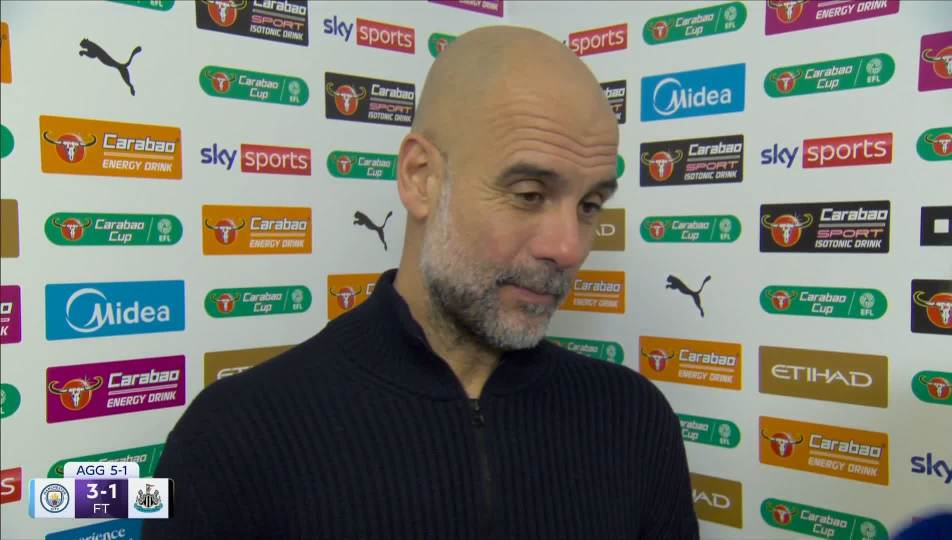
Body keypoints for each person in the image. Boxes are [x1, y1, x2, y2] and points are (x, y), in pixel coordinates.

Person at [143, 25, 699, 539]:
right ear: (421, 178)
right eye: (529, 194)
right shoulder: (231, 439)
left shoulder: (634, 421)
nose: (568, 248)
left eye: (590, 204)